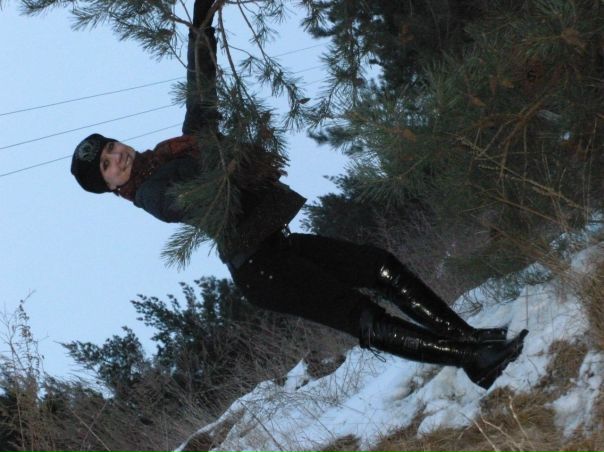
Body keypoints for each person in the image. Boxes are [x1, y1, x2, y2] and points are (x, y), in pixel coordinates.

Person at [70, 0, 527, 390]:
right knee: (360, 315)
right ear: (109, 186)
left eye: (111, 148)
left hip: (277, 248)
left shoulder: (181, 146)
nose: (117, 157)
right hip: (260, 269)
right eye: (107, 165)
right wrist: (225, 173)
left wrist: (202, 18)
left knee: (379, 266)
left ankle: (472, 339)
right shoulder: (149, 193)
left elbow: (200, 83)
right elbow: (182, 204)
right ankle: (472, 359)